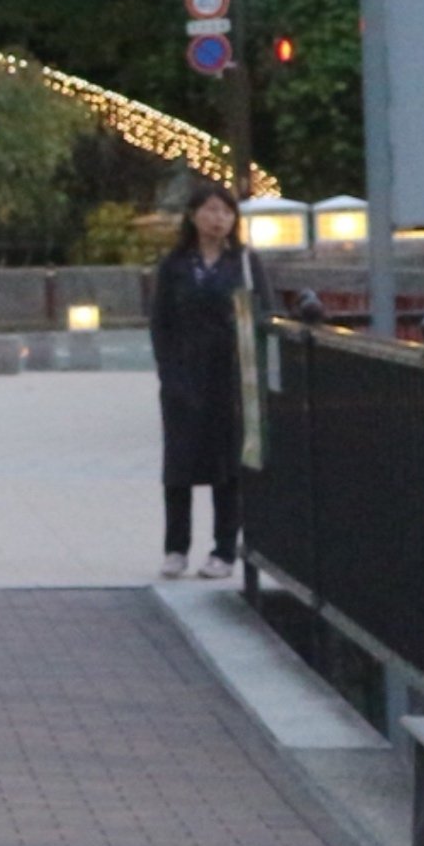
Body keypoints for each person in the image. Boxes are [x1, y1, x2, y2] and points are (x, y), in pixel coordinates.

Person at [149, 185, 254, 579]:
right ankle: (176, 548)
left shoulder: (243, 263)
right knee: (179, 464)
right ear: (193, 215)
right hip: (183, 376)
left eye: (227, 212)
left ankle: (224, 550)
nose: (219, 219)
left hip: (229, 377)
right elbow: (161, 323)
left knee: (228, 466)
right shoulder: (175, 265)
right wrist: (168, 371)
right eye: (211, 210)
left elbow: (263, 314)